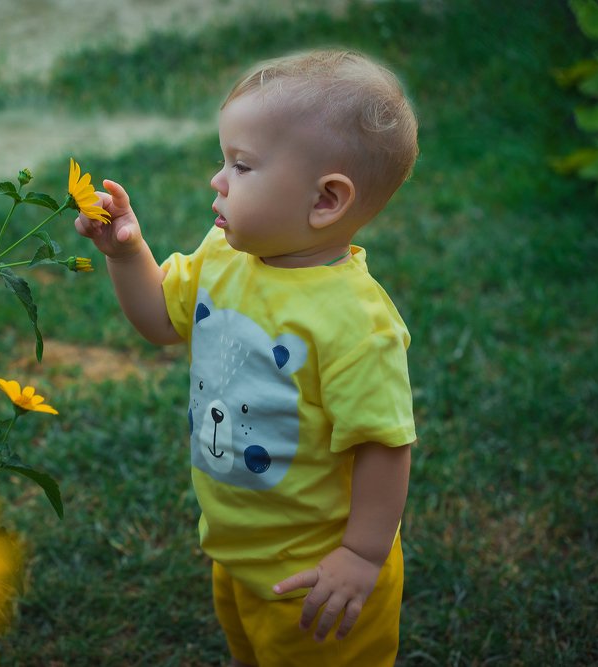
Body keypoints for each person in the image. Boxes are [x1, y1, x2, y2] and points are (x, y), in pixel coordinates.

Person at [75, 48, 418, 667]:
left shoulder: (354, 324)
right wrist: (127, 256)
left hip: (318, 577)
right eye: (222, 160)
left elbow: (383, 443)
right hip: (236, 548)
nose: (218, 180)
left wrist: (361, 556)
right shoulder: (223, 254)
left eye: (242, 165)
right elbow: (159, 322)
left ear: (325, 201)